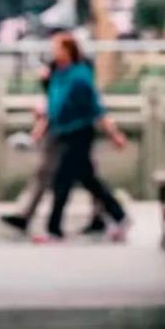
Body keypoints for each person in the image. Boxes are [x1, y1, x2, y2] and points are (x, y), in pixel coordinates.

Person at [38, 31, 128, 242]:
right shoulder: (58, 74)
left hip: (79, 133)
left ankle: (53, 229)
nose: (53, 52)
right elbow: (53, 104)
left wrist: (114, 134)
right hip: (62, 131)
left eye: (57, 48)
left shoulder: (80, 77)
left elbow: (96, 108)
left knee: (62, 180)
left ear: (69, 51)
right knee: (88, 179)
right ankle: (119, 216)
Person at [0, 60, 105, 237]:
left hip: (71, 135)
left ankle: (99, 216)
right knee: (51, 175)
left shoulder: (76, 75)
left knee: (82, 177)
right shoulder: (61, 75)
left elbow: (79, 108)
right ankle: (33, 217)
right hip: (59, 134)